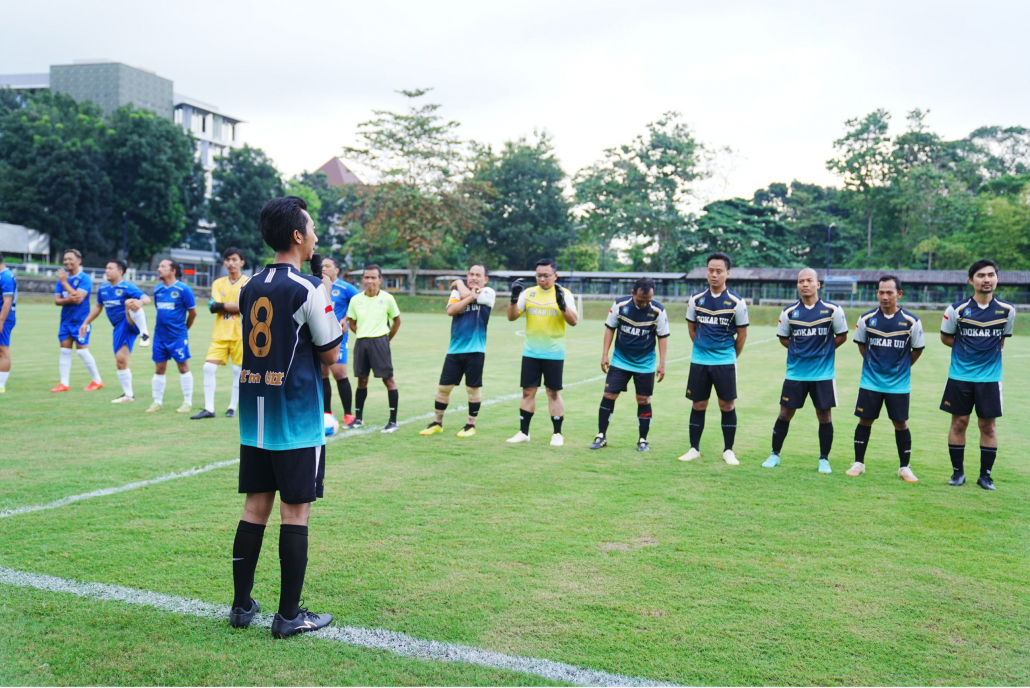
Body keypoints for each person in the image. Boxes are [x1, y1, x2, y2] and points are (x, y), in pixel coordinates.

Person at [230, 195, 342, 638]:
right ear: (297, 236)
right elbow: (330, 353)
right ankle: (289, 616)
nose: (315, 236)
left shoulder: (248, 286)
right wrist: (327, 298)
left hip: (255, 412)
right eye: (311, 228)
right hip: (295, 415)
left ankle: (241, 606)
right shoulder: (309, 288)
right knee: (295, 513)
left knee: (254, 508)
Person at [940, 259, 1015, 490]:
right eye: (981, 275)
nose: (986, 279)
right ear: (971, 281)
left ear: (997, 279)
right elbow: (946, 337)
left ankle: (985, 476)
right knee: (959, 423)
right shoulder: (956, 309)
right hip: (960, 376)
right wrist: (968, 350)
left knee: (988, 426)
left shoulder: (1007, 311)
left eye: (991, 275)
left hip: (990, 379)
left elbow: (1002, 340)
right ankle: (957, 473)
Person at [763, 268, 848, 472]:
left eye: (809, 280)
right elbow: (784, 338)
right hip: (796, 373)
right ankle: (775, 455)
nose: (805, 284)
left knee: (824, 415)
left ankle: (824, 459)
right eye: (801, 281)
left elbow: (842, 336)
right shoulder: (789, 312)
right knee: (785, 413)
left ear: (818, 285)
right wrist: (799, 352)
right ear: (797, 286)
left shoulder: (832, 310)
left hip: (823, 374)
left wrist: (823, 352)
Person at [847, 276, 924, 482]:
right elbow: (862, 345)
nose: (885, 296)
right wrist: (873, 365)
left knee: (900, 422)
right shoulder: (866, 319)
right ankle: (858, 463)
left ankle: (905, 467)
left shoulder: (911, 321)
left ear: (899, 294)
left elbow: (917, 349)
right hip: (870, 381)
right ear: (877, 294)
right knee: (865, 420)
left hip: (898, 384)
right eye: (881, 292)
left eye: (889, 292)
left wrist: (901, 368)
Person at [678, 252, 749, 465]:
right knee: (698, 404)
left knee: (727, 405)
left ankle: (728, 450)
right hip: (699, 361)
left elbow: (742, 336)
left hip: (725, 362)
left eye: (719, 271)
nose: (714, 275)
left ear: (728, 273)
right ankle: (694, 449)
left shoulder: (736, 302)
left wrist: (729, 356)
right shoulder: (696, 300)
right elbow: (692, 329)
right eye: (711, 270)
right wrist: (703, 349)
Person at [506, 258, 579, 446]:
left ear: (555, 276)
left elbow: (573, 321)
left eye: (546, 275)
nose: (542, 279)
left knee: (553, 392)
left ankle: (557, 434)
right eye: (538, 275)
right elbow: (511, 317)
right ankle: (524, 432)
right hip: (531, 352)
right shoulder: (528, 293)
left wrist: (562, 305)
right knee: (527, 391)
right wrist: (513, 298)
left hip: (554, 353)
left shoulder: (565, 294)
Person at [591, 278, 669, 452]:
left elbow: (662, 337)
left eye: (648, 300)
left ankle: (643, 439)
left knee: (643, 399)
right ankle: (601, 435)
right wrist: (605, 354)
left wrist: (662, 363)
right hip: (620, 360)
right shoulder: (620, 305)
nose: (644, 304)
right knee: (609, 395)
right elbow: (610, 328)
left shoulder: (658, 310)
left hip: (645, 363)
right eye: (641, 300)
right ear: (633, 293)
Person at [420, 264, 496, 438]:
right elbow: (451, 310)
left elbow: (467, 295)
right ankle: (437, 423)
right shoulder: (457, 293)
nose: (473, 277)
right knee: (443, 388)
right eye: (470, 274)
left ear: (485, 279)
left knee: (472, 389)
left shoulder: (488, 293)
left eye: (478, 275)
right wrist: (468, 296)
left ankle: (470, 425)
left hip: (476, 349)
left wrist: (459, 283)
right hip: (454, 350)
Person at [78, 260, 153, 403]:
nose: (106, 271)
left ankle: (144, 334)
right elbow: (98, 307)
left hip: (130, 321)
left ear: (120, 272)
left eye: (110, 268)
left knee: (129, 302)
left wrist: (140, 302)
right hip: (119, 327)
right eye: (106, 268)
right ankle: (128, 396)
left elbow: (146, 298)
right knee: (120, 361)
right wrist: (86, 322)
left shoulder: (127, 287)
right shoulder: (103, 288)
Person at [193, 248, 249, 420]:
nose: (231, 263)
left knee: (238, 371)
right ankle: (209, 408)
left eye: (234, 259)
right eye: (227, 260)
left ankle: (232, 407)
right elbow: (213, 306)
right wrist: (237, 306)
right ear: (224, 263)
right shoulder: (218, 283)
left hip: (241, 333)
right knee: (208, 368)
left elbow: (247, 306)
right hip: (220, 333)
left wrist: (223, 306)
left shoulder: (248, 282)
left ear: (242, 262)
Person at [345, 265, 401, 432]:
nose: (370, 280)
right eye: (367, 277)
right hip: (361, 343)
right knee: (362, 380)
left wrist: (386, 339)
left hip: (380, 342)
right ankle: (358, 419)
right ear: (362, 280)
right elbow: (352, 322)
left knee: (388, 380)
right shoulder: (356, 300)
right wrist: (362, 333)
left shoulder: (387, 298)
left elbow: (397, 320)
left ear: (380, 280)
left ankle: (393, 421)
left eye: (373, 277)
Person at [146, 259, 197, 413]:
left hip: (177, 337)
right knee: (159, 368)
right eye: (159, 266)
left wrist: (184, 329)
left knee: (183, 367)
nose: (159, 269)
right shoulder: (157, 289)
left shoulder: (184, 289)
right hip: (160, 336)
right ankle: (157, 402)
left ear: (173, 270)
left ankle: (187, 402)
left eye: (163, 266)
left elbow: (193, 313)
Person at [51, 249, 104, 393]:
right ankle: (64, 383)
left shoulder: (84, 278)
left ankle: (97, 381)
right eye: (65, 259)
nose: (67, 262)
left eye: (70, 259)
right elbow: (57, 301)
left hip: (81, 321)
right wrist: (68, 298)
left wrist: (64, 283)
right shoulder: (61, 279)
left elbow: (78, 298)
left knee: (82, 352)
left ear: (79, 261)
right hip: (65, 321)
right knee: (64, 351)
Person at [320, 257, 359, 430]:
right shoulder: (316, 285)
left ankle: (348, 414)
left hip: (338, 338)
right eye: (322, 266)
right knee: (322, 375)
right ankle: (326, 413)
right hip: (319, 336)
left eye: (327, 266)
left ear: (336, 270)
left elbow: (359, 303)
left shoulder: (346, 288)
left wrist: (346, 318)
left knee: (340, 374)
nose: (323, 268)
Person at [0, 253, 16, 393]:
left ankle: (1, 385)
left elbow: (7, 301)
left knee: (3, 349)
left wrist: (1, 321)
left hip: (4, 317)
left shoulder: (6, 277)